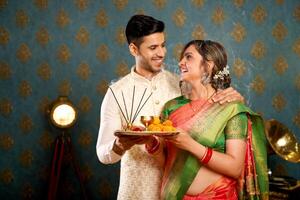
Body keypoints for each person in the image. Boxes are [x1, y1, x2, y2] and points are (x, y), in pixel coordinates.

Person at [96, 15, 244, 200]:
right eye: (153, 48)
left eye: (163, 45)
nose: (161, 53)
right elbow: (103, 154)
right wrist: (118, 146)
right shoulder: (117, 93)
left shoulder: (180, 85)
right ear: (134, 49)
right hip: (136, 193)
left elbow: (210, 101)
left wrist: (234, 97)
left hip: (179, 191)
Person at [150, 40, 269, 200]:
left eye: (188, 57)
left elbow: (235, 167)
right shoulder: (171, 107)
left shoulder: (230, 108)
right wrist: (151, 144)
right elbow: (166, 163)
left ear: (208, 66)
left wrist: (190, 145)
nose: (180, 62)